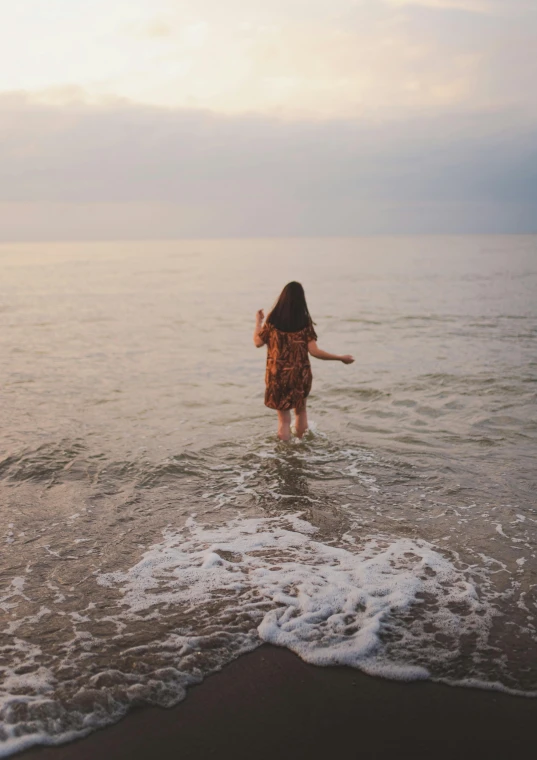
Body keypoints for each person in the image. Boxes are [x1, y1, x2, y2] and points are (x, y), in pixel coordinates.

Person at [253, 281, 354, 441]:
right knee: (300, 412)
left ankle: (285, 455)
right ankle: (299, 448)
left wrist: (258, 321)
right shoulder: (304, 322)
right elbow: (314, 351)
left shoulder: (272, 321)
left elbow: (258, 342)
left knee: (283, 420)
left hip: (277, 375)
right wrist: (340, 358)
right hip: (299, 375)